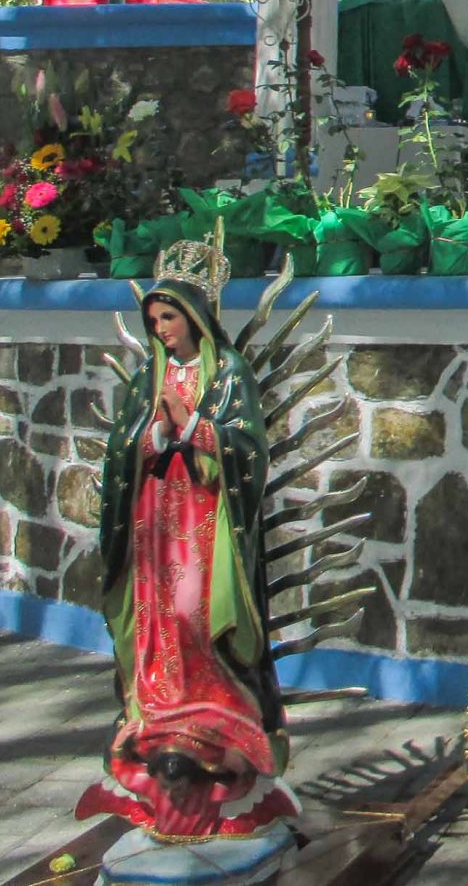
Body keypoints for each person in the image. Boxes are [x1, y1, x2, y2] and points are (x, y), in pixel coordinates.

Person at [75, 239, 298, 843]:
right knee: (158, 617)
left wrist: (193, 425)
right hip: (155, 520)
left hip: (205, 521)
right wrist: (149, 438)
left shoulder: (227, 373)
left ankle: (216, 710)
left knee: (196, 612)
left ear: (195, 316)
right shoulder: (148, 375)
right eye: (153, 321)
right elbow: (123, 448)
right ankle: (158, 710)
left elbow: (249, 450)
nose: (161, 330)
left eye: (169, 317)